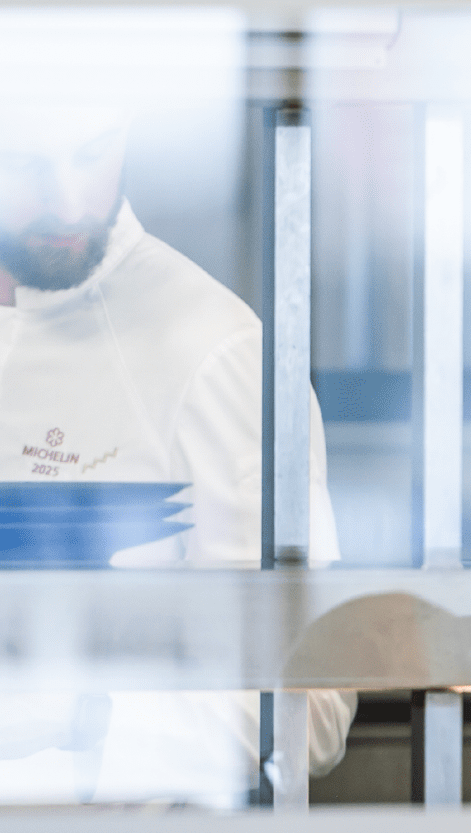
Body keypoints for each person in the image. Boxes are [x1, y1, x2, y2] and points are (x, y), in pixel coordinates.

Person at [0, 106, 354, 806]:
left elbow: (307, 702)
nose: (67, 200)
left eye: (92, 152)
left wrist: (73, 717)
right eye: (22, 160)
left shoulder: (212, 347)